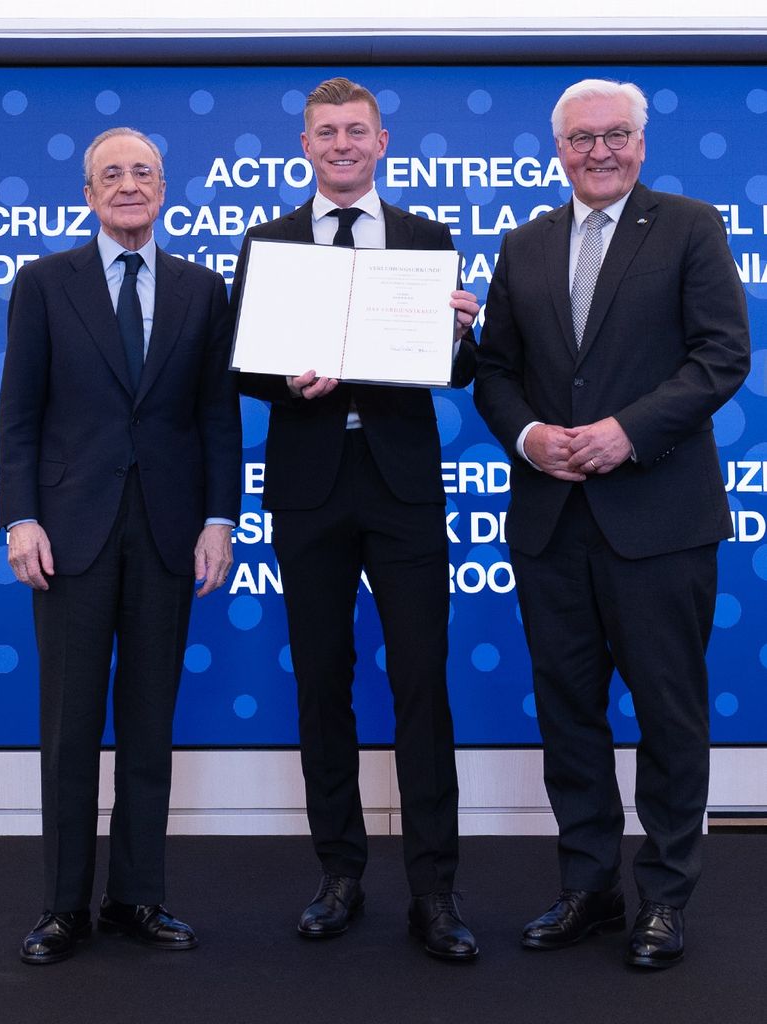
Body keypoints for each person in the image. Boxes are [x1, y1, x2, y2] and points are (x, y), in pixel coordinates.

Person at [474, 78, 750, 969]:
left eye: (615, 136)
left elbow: (721, 357)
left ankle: (663, 897)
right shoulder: (522, 245)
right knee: (569, 717)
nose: (598, 151)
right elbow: (494, 370)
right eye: (581, 138)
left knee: (670, 717)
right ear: (556, 148)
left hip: (660, 520)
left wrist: (624, 432)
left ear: (640, 143)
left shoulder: (689, 226)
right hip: (552, 522)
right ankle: (587, 886)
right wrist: (526, 434)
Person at [231, 77, 479, 961]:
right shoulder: (267, 241)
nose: (341, 143)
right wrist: (281, 378)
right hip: (309, 486)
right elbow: (243, 367)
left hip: (402, 488)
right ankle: (338, 873)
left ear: (382, 143)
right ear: (305, 147)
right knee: (321, 686)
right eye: (325, 132)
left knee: (422, 684)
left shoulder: (425, 238)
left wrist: (457, 335)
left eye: (355, 131)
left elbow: (454, 372)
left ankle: (435, 893)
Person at [0, 127, 242, 964]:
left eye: (142, 172)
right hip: (68, 532)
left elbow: (216, 417)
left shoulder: (201, 289)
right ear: (88, 194)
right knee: (69, 726)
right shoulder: (43, 282)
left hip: (171, 530)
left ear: (164, 187)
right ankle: (63, 905)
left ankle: (138, 896)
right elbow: (20, 415)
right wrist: (19, 517)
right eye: (112, 175)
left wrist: (220, 517)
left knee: (149, 721)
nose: (129, 185)